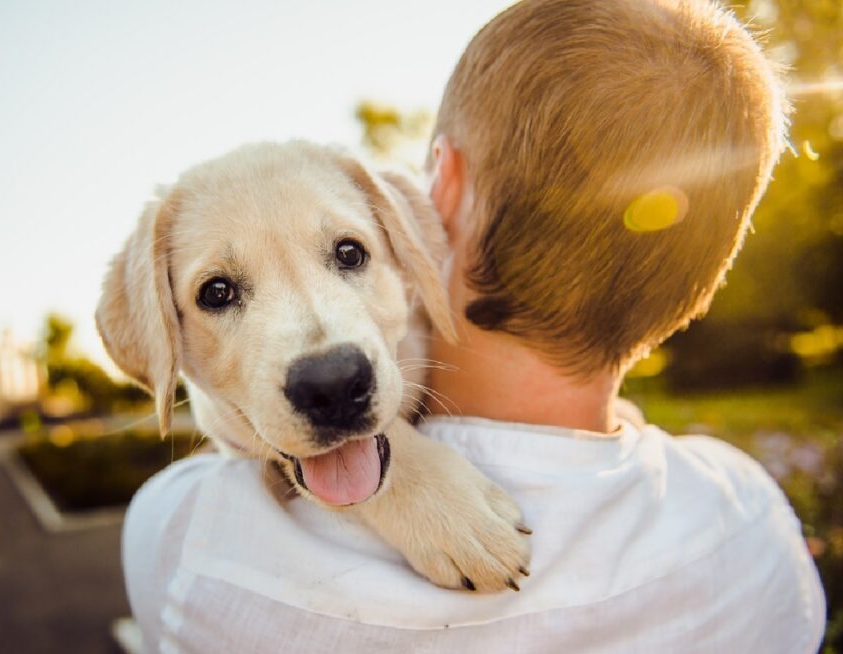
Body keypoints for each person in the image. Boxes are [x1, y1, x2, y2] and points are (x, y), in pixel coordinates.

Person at [122, 0, 826, 651]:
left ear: (439, 193)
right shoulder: (754, 527)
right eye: (219, 292)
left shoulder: (190, 544)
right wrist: (401, 475)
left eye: (347, 254)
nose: (325, 357)